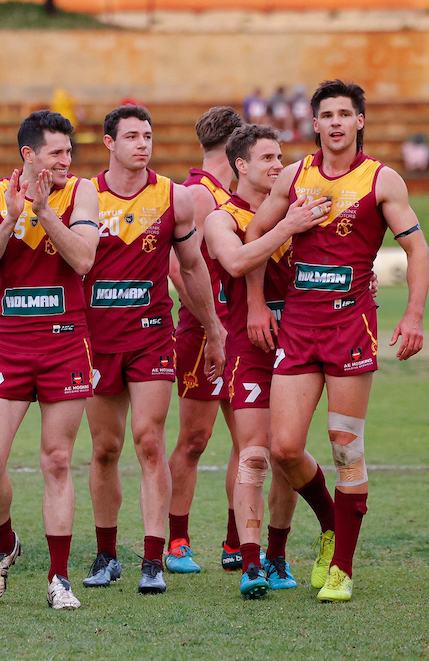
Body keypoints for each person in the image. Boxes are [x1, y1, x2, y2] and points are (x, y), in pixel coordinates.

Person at [245, 80, 429, 602]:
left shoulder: (382, 179)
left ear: (359, 122)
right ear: (315, 123)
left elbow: (418, 252)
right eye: (326, 114)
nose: (335, 123)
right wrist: (258, 304)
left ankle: (342, 566)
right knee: (284, 447)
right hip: (298, 329)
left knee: (347, 449)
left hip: (352, 328)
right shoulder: (294, 176)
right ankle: (331, 525)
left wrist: (413, 315)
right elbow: (255, 240)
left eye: (345, 114)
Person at [80, 105, 225, 595]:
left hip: (150, 335)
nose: (143, 144)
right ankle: (105, 556)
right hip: (97, 342)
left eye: (148, 136)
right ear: (109, 143)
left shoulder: (174, 198)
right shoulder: (84, 198)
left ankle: (152, 559)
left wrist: (214, 328)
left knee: (148, 441)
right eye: (132, 137)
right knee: (104, 449)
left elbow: (192, 268)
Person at [0, 110, 100, 610]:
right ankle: (4, 548)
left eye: (69, 151)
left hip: (66, 339)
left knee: (57, 459)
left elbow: (84, 259)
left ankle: (59, 578)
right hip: (9, 339)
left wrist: (45, 213)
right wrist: (13, 216)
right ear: (29, 155)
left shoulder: (81, 192)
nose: (67, 160)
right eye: (57, 152)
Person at [202, 124, 325, 598]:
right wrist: (288, 228)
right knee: (254, 453)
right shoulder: (221, 216)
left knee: (284, 452)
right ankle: (251, 562)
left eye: (281, 157)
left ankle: (278, 554)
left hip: (297, 344)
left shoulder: (297, 205)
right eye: (269, 158)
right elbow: (234, 263)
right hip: (247, 349)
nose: (279, 166)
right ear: (241, 166)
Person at [166, 106, 242, 575]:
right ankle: (177, 540)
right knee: (195, 439)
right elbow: (178, 268)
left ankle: (237, 541)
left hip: (247, 329)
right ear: (237, 150)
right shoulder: (198, 193)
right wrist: (214, 324)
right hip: (204, 331)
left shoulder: (239, 192)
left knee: (252, 440)